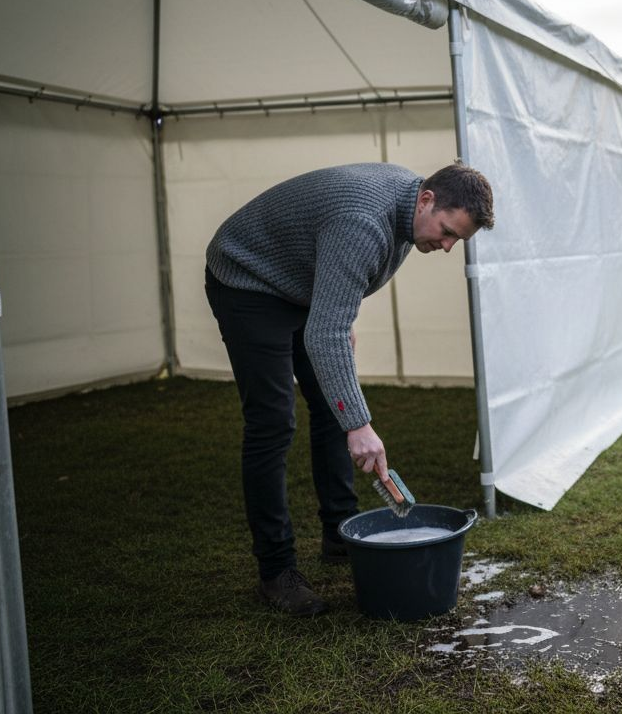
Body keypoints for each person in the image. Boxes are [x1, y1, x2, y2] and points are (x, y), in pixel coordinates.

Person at [204, 161, 494, 616]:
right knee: (273, 422)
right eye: (446, 232)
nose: (446, 246)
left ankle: (340, 532)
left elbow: (339, 284)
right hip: (248, 278)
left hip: (298, 286)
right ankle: (276, 571)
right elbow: (325, 331)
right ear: (427, 199)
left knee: (328, 408)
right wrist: (359, 425)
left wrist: (340, 319)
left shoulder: (407, 216)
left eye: (456, 239)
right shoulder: (365, 221)